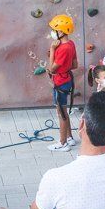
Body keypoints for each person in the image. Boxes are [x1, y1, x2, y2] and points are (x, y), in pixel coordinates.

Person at [46, 14, 78, 152]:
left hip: (60, 82)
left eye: (54, 29)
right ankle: (70, 137)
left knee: (61, 114)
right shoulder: (70, 44)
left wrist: (53, 51)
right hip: (67, 80)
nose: (53, 32)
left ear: (62, 31)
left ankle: (62, 142)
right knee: (64, 110)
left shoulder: (63, 48)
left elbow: (52, 69)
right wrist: (63, 65)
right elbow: (75, 64)